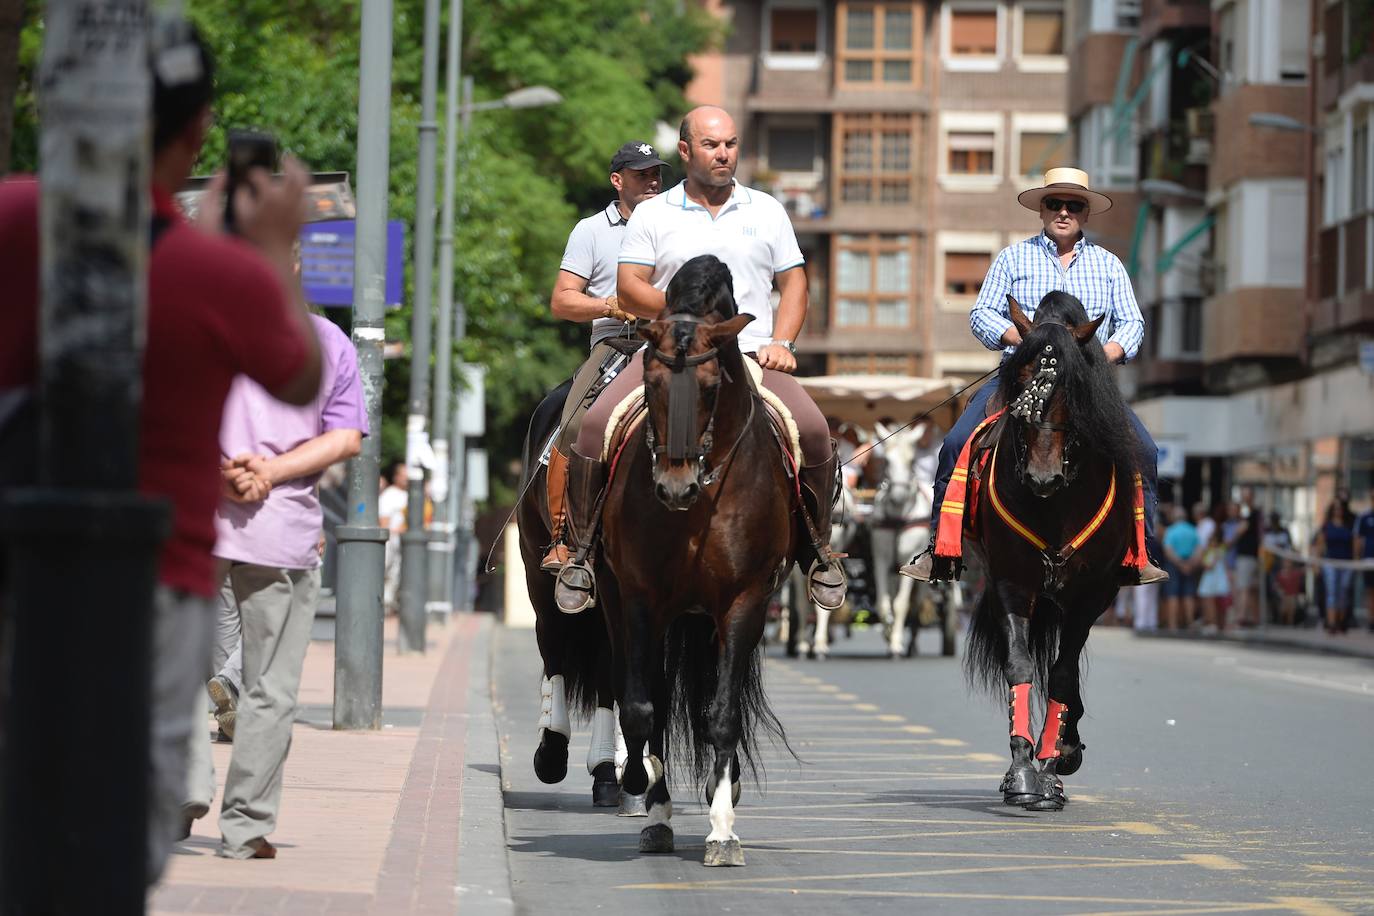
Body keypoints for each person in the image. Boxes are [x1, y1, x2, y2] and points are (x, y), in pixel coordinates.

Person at [0, 23, 321, 884]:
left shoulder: (11, 217)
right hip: (156, 579)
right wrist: (268, 256)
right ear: (200, 131)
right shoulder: (226, 277)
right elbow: (302, 376)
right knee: (118, 825)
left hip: (21, 553)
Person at [556, 105, 847, 614]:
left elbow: (794, 282)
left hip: (749, 354)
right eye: (712, 145)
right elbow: (629, 285)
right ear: (686, 151)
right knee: (593, 427)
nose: (724, 154)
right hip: (668, 356)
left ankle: (819, 551)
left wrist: (783, 341)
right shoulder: (653, 213)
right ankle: (580, 552)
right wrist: (684, 322)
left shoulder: (767, 210)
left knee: (815, 430)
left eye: (731, 144)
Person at [900, 168, 1166, 586]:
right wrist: (1019, 339)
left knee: (1145, 453)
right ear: (1041, 210)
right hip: (1019, 377)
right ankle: (941, 549)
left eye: (1073, 205)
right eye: (1054, 204)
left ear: (1086, 214)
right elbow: (982, 314)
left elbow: (1132, 324)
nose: (1063, 212)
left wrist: (1102, 353)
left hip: (1085, 382)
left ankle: (1140, 551)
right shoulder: (1012, 257)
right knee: (954, 444)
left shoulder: (1109, 265)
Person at [185, 312, 366, 860]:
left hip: (195, 519)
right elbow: (345, 438)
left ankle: (180, 790)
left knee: (171, 666)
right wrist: (271, 472)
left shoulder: (191, 319)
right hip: (281, 531)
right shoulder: (328, 338)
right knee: (270, 687)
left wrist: (220, 468)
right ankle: (244, 829)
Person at [540, 141, 666, 575]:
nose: (652, 182)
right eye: (641, 174)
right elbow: (562, 302)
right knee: (575, 424)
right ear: (618, 181)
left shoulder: (678, 225)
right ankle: (561, 536)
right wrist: (611, 306)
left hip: (668, 343)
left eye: (656, 174)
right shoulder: (591, 230)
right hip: (617, 344)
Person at [1313, 500, 1356, 635]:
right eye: (1335, 509)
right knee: (1332, 592)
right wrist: (1317, 564)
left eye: (1340, 508)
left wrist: (1355, 562)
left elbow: (1355, 545)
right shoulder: (1326, 526)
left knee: (1343, 592)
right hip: (1330, 563)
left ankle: (1340, 621)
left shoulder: (1349, 526)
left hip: (1346, 563)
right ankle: (1331, 623)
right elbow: (1319, 546)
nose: (1338, 511)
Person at [1159, 505, 1200, 631]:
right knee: (1188, 594)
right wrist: (1190, 564)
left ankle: (1173, 624)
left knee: (1172, 594)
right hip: (1189, 564)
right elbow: (1199, 549)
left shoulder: (1171, 531)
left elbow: (1168, 550)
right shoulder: (1193, 530)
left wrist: (1179, 564)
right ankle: (1190, 622)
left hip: (1174, 565)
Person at [379, 460, 408, 614]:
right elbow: (384, 521)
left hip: (400, 543)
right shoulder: (389, 496)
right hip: (389, 541)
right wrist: (400, 530)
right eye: (403, 475)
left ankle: (387, 607)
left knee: (394, 576)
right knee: (383, 572)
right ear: (396, 476)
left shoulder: (408, 495)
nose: (406, 479)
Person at [1231, 488, 1262, 627]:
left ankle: (1241, 617)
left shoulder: (1250, 514)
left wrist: (1228, 542)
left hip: (1246, 555)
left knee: (1243, 587)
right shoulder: (1255, 514)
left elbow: (1239, 531)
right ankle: (1255, 618)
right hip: (1253, 555)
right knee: (1252, 588)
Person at [1354, 500, 1374, 631]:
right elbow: (1358, 539)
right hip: (1368, 561)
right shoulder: (1365, 517)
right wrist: (1357, 559)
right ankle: (1372, 621)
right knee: (1370, 591)